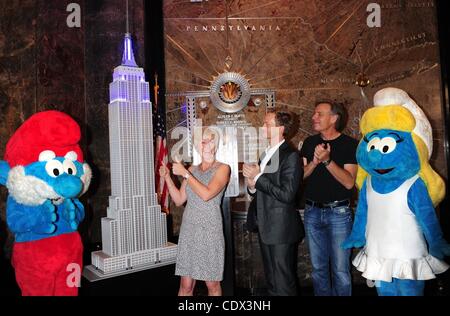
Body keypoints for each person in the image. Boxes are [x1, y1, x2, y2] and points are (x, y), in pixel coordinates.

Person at [159, 126, 230, 296]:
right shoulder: (192, 169)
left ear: (215, 144)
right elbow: (178, 200)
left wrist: (185, 174)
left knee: (212, 284)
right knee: (186, 285)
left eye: (208, 140)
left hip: (209, 230)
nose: (203, 144)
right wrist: (168, 177)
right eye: (201, 141)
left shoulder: (223, 168)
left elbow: (206, 194)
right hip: (189, 229)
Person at [299, 101, 358, 296]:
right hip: (312, 212)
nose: (314, 117)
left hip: (339, 213)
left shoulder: (349, 144)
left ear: (334, 118)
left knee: (341, 271)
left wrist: (327, 161)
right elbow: (300, 176)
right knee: (318, 270)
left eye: (319, 114)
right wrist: (315, 163)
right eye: (314, 113)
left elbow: (349, 183)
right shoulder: (309, 143)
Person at [243, 110, 303, 296]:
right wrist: (252, 185)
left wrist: (258, 177)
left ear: (280, 128)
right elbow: (261, 190)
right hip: (266, 225)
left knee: (283, 283)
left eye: (267, 124)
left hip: (281, 228)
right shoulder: (266, 153)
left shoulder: (291, 156)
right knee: (272, 282)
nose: (262, 127)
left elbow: (287, 194)